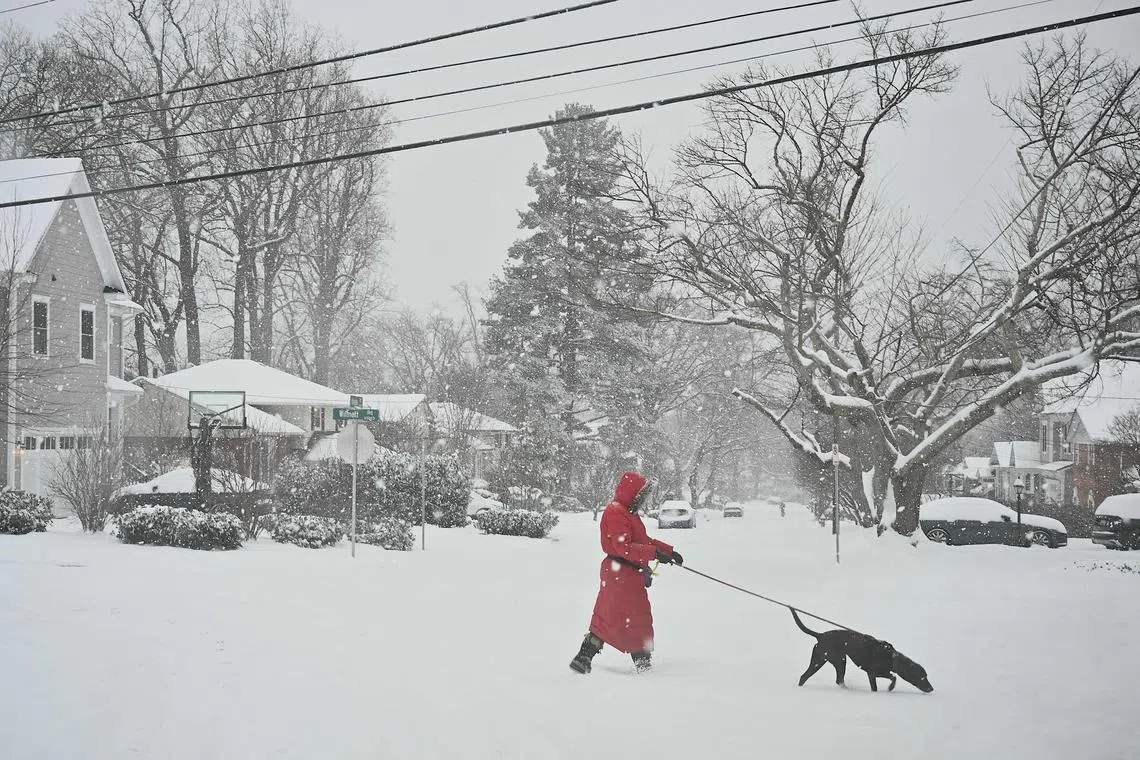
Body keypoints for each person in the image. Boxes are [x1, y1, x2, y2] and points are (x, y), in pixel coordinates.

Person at [569, 470, 684, 674]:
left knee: (628, 616)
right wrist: (654, 553)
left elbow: (643, 541)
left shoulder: (627, 513)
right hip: (619, 573)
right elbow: (623, 547)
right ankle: (636, 661)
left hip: (627, 574)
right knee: (616, 616)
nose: (642, 499)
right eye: (641, 494)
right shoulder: (615, 512)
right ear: (632, 492)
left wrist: (667, 551)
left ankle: (587, 657)